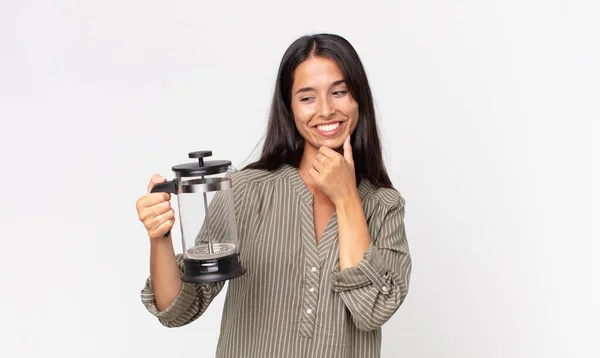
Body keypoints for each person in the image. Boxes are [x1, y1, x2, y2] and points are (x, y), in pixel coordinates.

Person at [136, 33, 412, 358]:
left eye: (339, 92)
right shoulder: (245, 191)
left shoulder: (384, 205)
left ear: (358, 100)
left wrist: (347, 198)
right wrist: (161, 237)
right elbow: (178, 308)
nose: (326, 110)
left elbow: (374, 310)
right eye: (307, 98)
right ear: (289, 108)